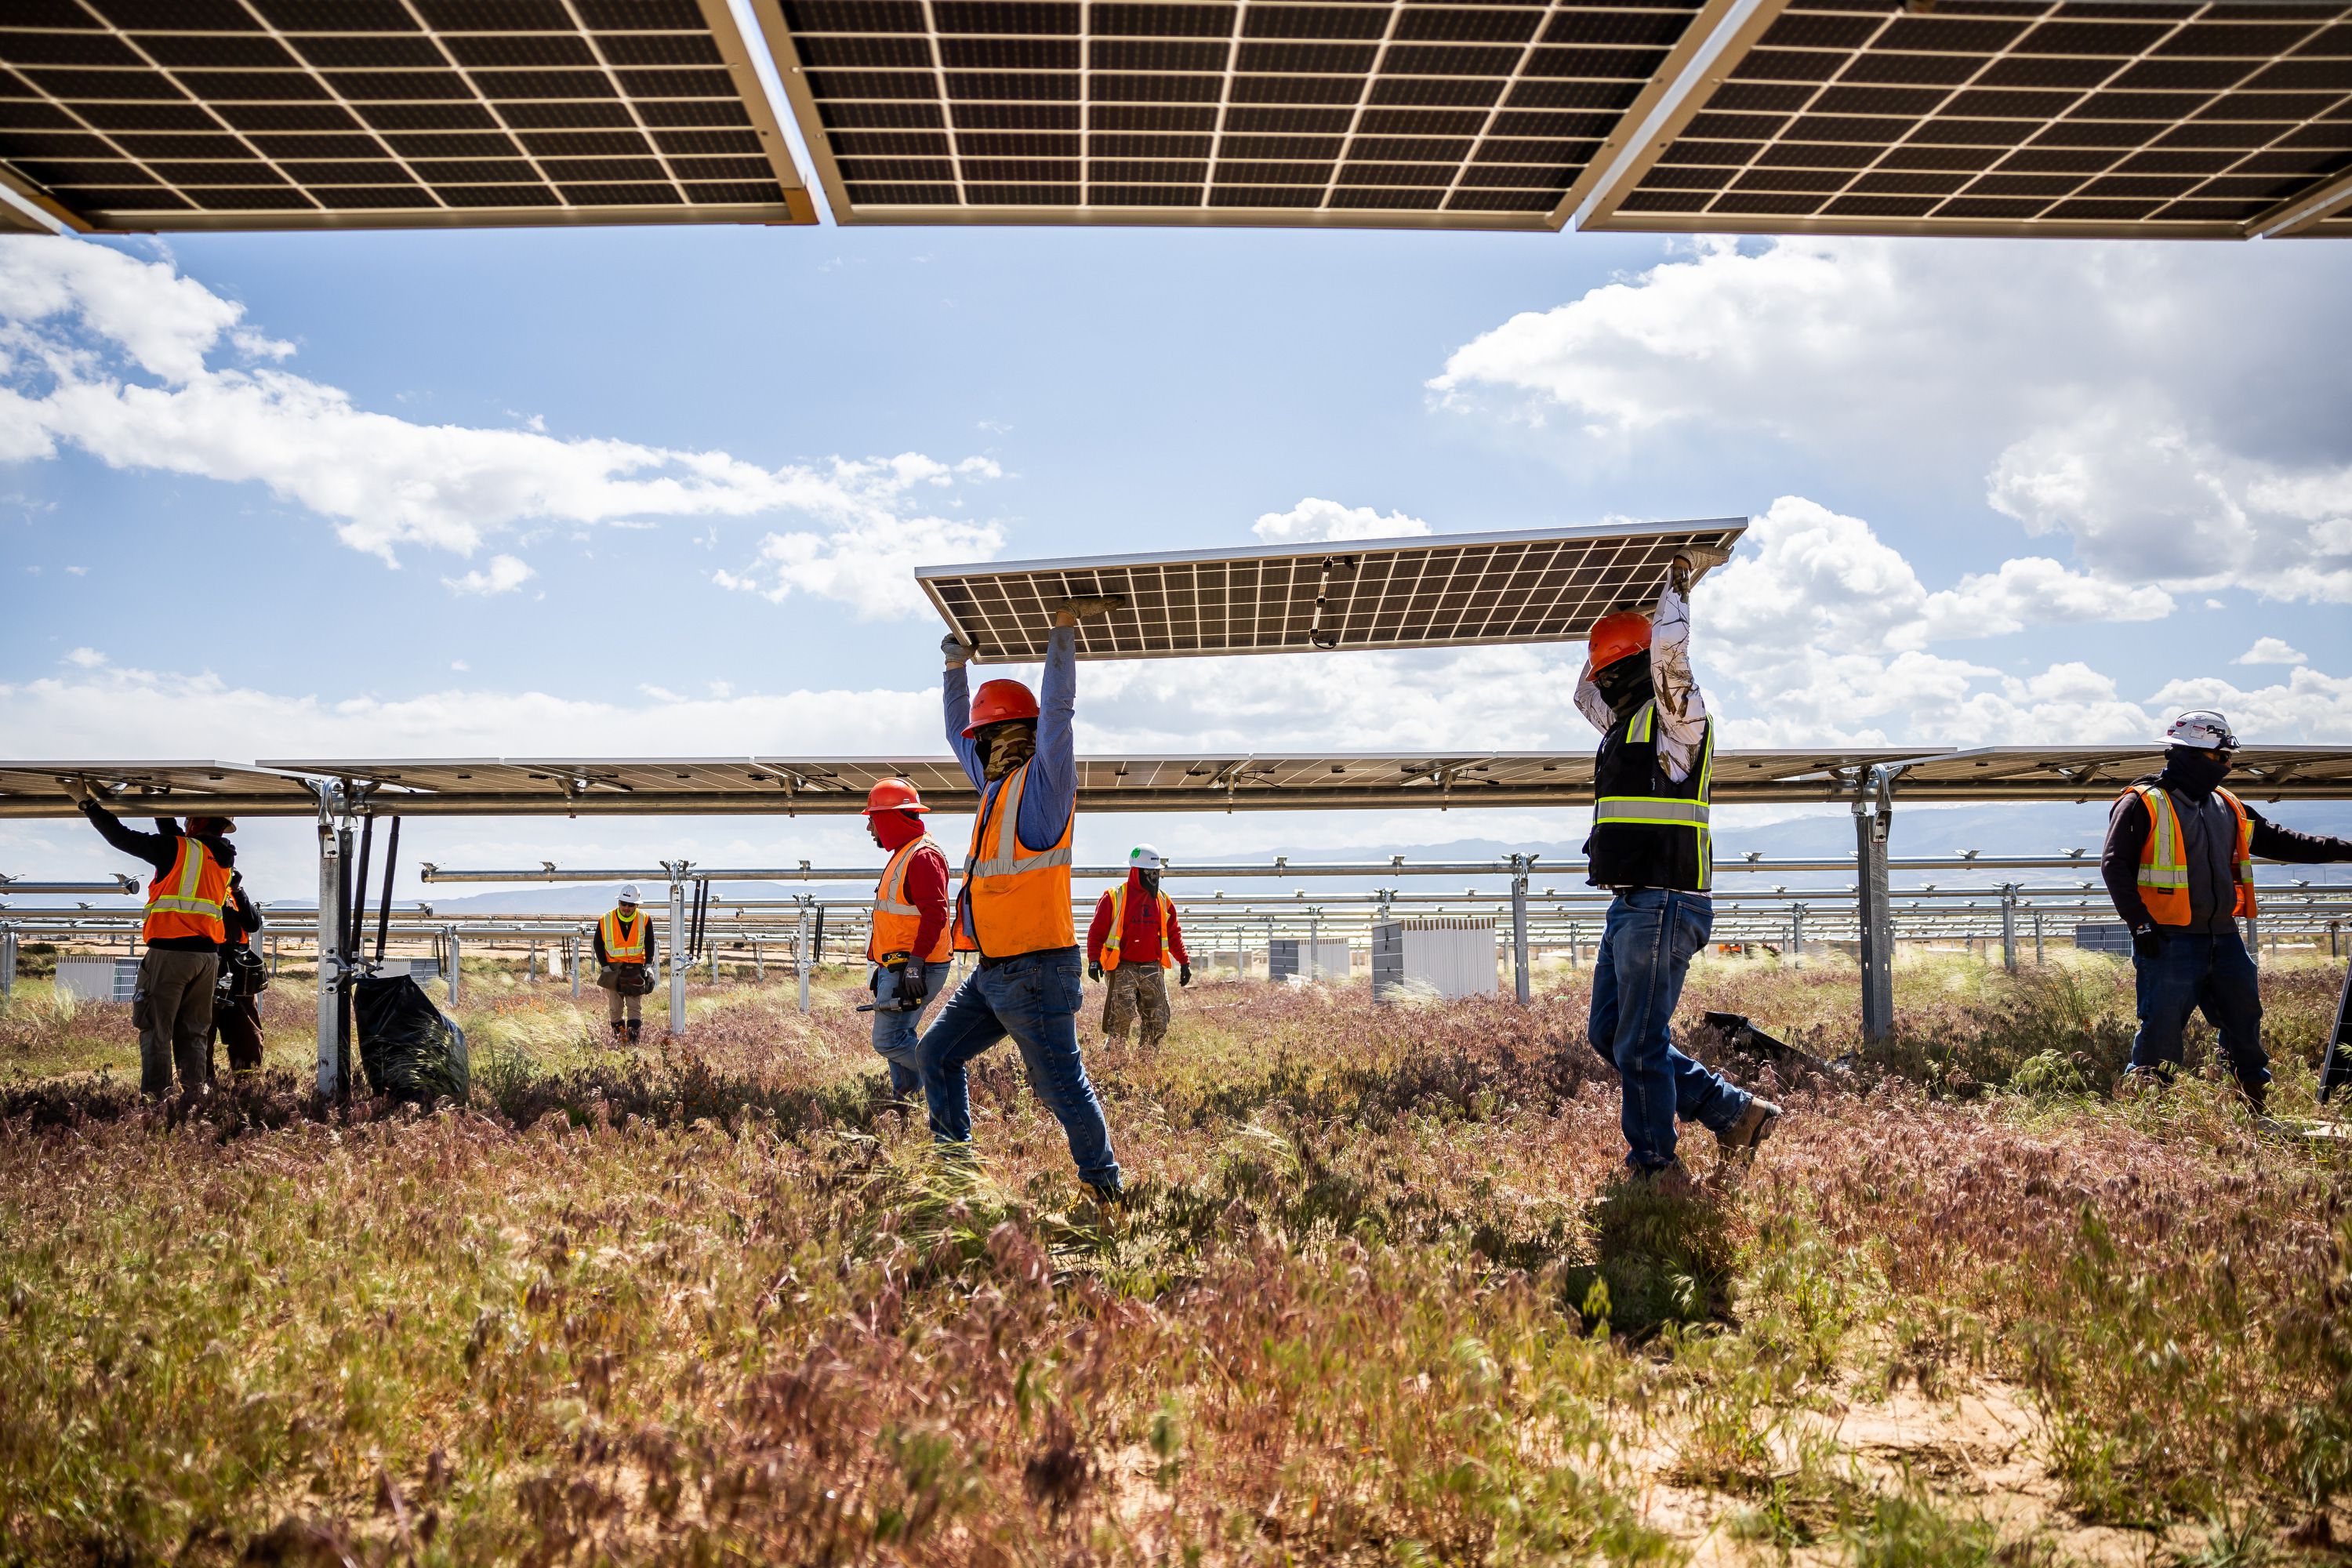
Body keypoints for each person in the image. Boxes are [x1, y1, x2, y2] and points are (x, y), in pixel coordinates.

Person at [1577, 549, 1780, 1179]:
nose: (1604, 683)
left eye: (1614, 670)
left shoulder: (1677, 723)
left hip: (1665, 901)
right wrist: (1608, 614)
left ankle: (1656, 1168)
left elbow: (1669, 657)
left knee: (1637, 1043)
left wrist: (1676, 586)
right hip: (1633, 903)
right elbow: (1584, 691)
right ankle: (1735, 1113)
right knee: (1610, 1035)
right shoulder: (1620, 724)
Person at [918, 596, 1127, 1203]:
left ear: (1002, 737)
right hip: (993, 974)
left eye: (982, 738)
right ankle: (956, 1174)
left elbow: (1058, 715)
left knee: (1061, 1085)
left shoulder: (1044, 788)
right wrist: (956, 671)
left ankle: (1104, 1191)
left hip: (1036, 971)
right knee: (935, 1056)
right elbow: (958, 736)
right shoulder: (994, 788)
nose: (974, 750)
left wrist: (1061, 634)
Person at [2102, 710, 2352, 1112]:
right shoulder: (2143, 803)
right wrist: (2141, 926)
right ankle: (2149, 1117)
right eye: (2220, 757)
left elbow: (2282, 841)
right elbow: (2114, 865)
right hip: (2169, 939)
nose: (2227, 765)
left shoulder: (2228, 806)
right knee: (2162, 1030)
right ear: (2192, 754)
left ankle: (2254, 1108)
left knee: (2244, 1023)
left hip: (2223, 937)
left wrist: (2346, 849)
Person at [62, 781, 232, 1097]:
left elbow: (121, 837)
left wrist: (86, 802)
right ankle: (194, 1095)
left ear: (195, 822)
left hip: (171, 954)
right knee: (194, 1031)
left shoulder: (179, 849)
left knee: (155, 1027)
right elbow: (174, 840)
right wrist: (156, 806)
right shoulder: (221, 858)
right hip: (206, 958)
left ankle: (158, 1098)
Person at [864, 776, 952, 1102]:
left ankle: (943, 1072)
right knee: (901, 1034)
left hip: (915, 966)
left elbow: (935, 915)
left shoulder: (922, 857)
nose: (870, 829)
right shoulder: (906, 853)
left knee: (887, 1041)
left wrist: (914, 965)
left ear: (891, 818)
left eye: (873, 820)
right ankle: (904, 1098)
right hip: (902, 965)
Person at [1087, 844, 1190, 1049]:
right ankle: (1114, 1064)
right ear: (1136, 872)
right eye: (1149, 872)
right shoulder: (1114, 897)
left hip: (1152, 967)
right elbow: (1096, 932)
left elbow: (1173, 933)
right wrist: (1093, 960)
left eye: (1156, 873)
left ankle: (1146, 1063)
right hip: (1122, 967)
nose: (1153, 877)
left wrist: (1184, 962)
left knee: (1158, 1019)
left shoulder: (1163, 900)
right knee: (1120, 1020)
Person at [210, 865, 267, 1075]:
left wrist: (237, 890)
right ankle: (198, 1090)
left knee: (248, 1037)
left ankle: (246, 1089)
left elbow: (253, 923)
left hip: (236, 972)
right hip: (205, 968)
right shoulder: (201, 889)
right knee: (200, 1036)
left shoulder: (231, 894)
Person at [593, 884, 656, 1045]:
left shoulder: (645, 919)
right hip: (613, 969)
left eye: (631, 905)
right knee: (615, 1008)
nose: (626, 908)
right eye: (624, 903)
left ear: (637, 905)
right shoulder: (605, 919)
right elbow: (598, 944)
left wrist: (649, 965)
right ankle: (620, 1041)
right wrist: (605, 966)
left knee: (634, 1007)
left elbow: (650, 942)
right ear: (619, 902)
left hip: (636, 968)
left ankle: (633, 1043)